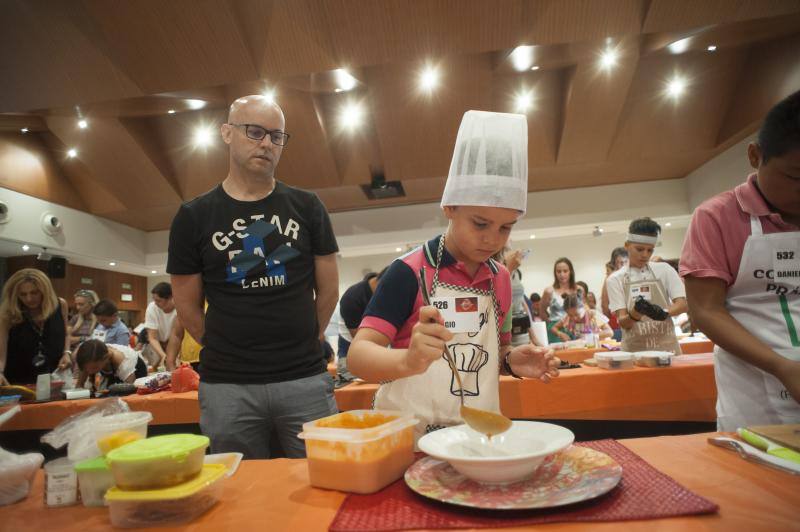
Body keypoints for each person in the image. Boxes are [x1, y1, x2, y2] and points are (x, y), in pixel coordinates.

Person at [348, 110, 559, 441]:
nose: (492, 239)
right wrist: (409, 360)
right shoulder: (408, 271)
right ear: (449, 207)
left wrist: (515, 362)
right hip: (410, 438)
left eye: (506, 227)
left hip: (475, 437)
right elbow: (358, 357)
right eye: (480, 223)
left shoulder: (501, 279)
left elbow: (496, 354)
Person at [168, 94, 339, 459]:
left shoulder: (307, 206)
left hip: (304, 378)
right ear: (227, 133)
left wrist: (312, 333)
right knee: (238, 495)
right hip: (228, 385)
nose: (267, 143)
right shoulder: (193, 216)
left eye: (277, 136)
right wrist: (222, 345)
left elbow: (328, 289)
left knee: (323, 481)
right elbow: (186, 305)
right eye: (255, 132)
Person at [680, 90, 800, 430]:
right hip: (755, 395)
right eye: (796, 177)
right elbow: (705, 310)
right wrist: (782, 366)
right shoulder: (717, 218)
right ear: (754, 155)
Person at [607, 218, 687, 353]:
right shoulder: (615, 279)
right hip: (634, 353)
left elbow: (683, 304)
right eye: (639, 249)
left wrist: (663, 312)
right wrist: (635, 314)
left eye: (650, 250)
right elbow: (623, 322)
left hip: (668, 351)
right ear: (627, 245)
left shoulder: (664, 270)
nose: (645, 255)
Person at [0, 269, 71, 385]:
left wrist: (67, 352)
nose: (29, 299)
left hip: (53, 376)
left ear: (45, 291)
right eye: (23, 294)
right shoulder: (8, 314)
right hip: (18, 378)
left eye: (34, 293)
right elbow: (1, 352)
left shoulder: (61, 305)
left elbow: (66, 333)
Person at [336, 271, 384, 385]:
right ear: (382, 282)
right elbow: (360, 340)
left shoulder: (383, 296)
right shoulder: (352, 297)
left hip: (377, 349)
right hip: (351, 349)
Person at [75, 339, 147, 391]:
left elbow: (131, 392)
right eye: (87, 369)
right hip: (113, 372)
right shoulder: (88, 358)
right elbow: (79, 386)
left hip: (136, 373)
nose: (89, 372)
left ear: (105, 358)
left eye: (94, 368)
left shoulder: (123, 363)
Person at [540, 258, 580, 343]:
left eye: (565, 271)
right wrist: (551, 324)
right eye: (558, 271)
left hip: (575, 327)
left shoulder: (579, 290)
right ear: (555, 273)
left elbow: (583, 311)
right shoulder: (549, 291)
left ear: (571, 272)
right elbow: (542, 312)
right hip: (555, 330)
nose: (562, 274)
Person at [143, 282, 176, 369]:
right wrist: (163, 356)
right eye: (154, 300)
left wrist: (170, 357)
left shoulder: (179, 308)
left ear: (170, 298)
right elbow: (152, 337)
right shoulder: (152, 307)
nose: (155, 303)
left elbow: (178, 336)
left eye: (158, 300)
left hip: (174, 343)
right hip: (157, 345)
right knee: (156, 371)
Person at [602, 247, 628, 340]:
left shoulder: (632, 275)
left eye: (626, 262)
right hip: (615, 319)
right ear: (614, 264)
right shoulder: (610, 279)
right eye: (621, 263)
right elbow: (604, 305)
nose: (624, 265)